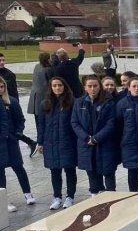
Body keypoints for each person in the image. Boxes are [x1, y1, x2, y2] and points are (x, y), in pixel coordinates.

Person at [71, 75, 118, 196]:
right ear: (85, 87)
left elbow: (111, 123)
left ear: (99, 87)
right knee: (91, 172)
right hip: (86, 144)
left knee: (108, 172)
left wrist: (96, 138)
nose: (93, 89)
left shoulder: (108, 102)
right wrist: (86, 138)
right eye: (90, 86)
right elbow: (74, 122)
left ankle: (111, 196)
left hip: (104, 144)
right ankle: (95, 195)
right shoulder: (79, 103)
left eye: (95, 86)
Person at [36, 77, 77, 209]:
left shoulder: (71, 102)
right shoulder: (45, 103)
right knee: (54, 171)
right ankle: (57, 197)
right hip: (51, 142)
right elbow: (41, 125)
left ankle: (70, 196)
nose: (57, 88)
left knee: (69, 169)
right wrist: (40, 142)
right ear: (50, 87)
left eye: (59, 85)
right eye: (54, 86)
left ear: (64, 86)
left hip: (67, 141)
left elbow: (74, 123)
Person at [0, 78, 34, 211]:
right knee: (0, 172)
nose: (0, 89)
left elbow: (20, 119)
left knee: (18, 167)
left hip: (11, 141)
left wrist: (18, 133)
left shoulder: (12, 101)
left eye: (2, 87)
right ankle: (3, 201)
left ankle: (28, 193)